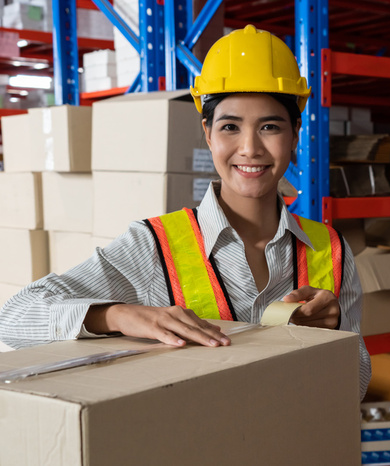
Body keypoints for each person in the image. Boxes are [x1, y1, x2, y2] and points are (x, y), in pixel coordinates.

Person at [0, 25, 370, 398]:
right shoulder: (154, 245)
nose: (249, 148)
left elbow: (355, 386)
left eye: (269, 127)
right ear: (208, 134)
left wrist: (333, 335)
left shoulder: (331, 250)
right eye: (230, 127)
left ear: (294, 134)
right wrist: (120, 315)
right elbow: (14, 317)